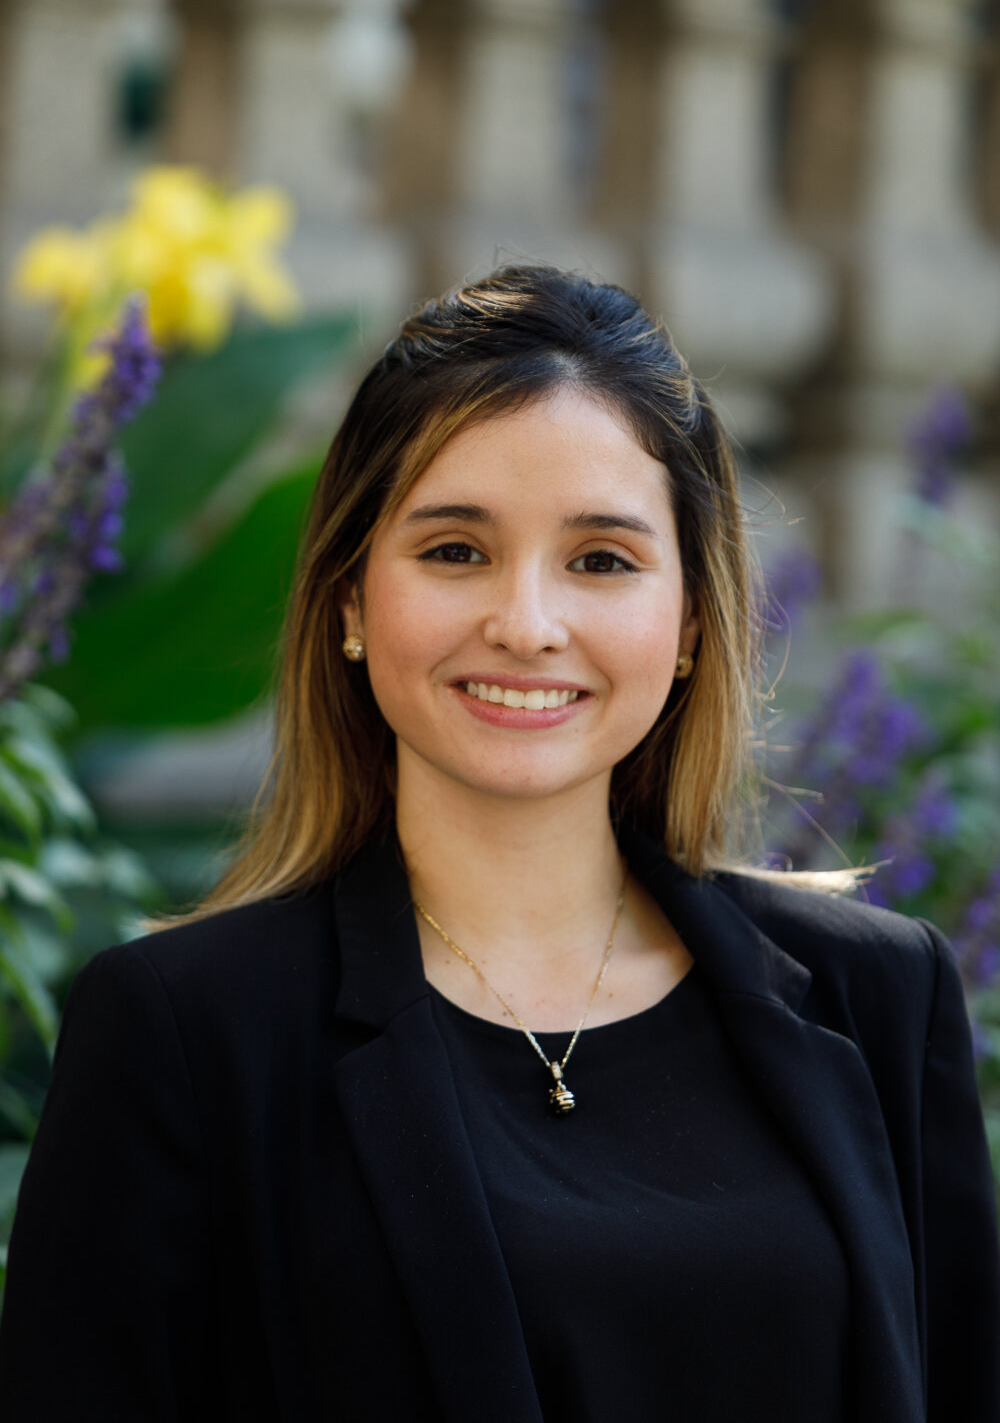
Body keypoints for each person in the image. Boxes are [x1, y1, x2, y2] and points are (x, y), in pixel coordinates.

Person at [0, 264, 996, 1423]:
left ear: (687, 622)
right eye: (455, 551)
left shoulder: (875, 995)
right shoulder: (183, 1033)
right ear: (352, 603)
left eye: (601, 560)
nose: (526, 624)